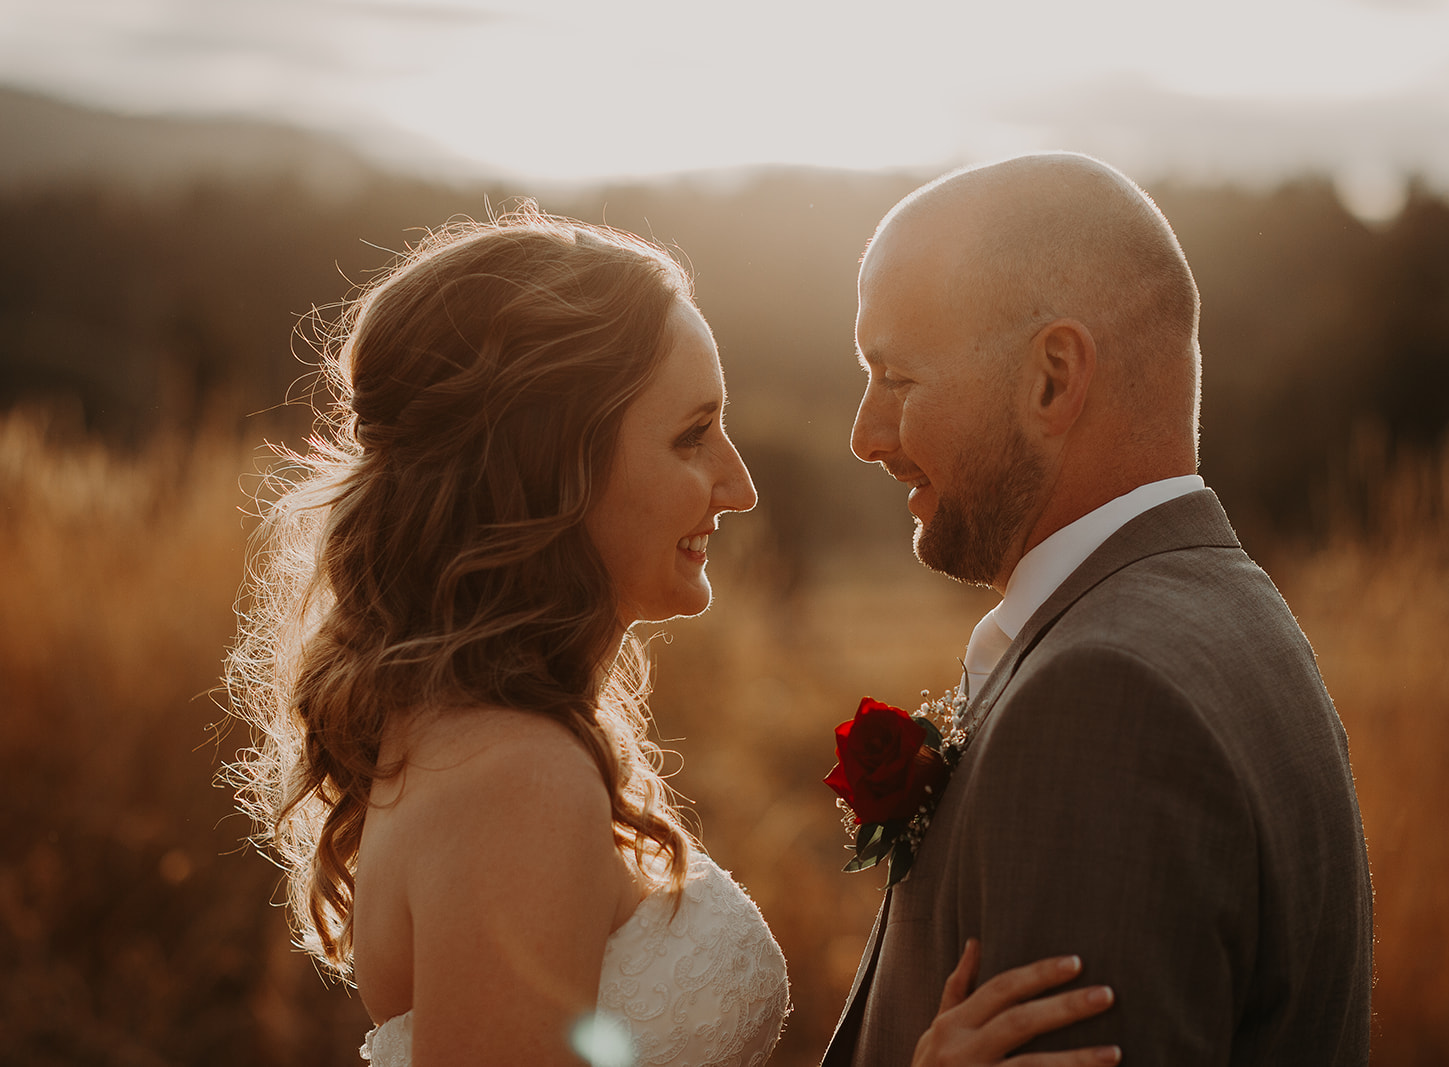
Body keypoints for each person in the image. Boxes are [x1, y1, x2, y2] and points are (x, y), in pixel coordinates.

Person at [225, 209, 1120, 1067]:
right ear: (550, 467)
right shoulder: (515, 776)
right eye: (692, 436)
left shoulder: (489, 736)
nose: (739, 486)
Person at [824, 154, 1374, 1065]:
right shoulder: (1239, 609)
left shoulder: (1103, 699)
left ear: (1051, 377)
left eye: (897, 378)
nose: (864, 434)